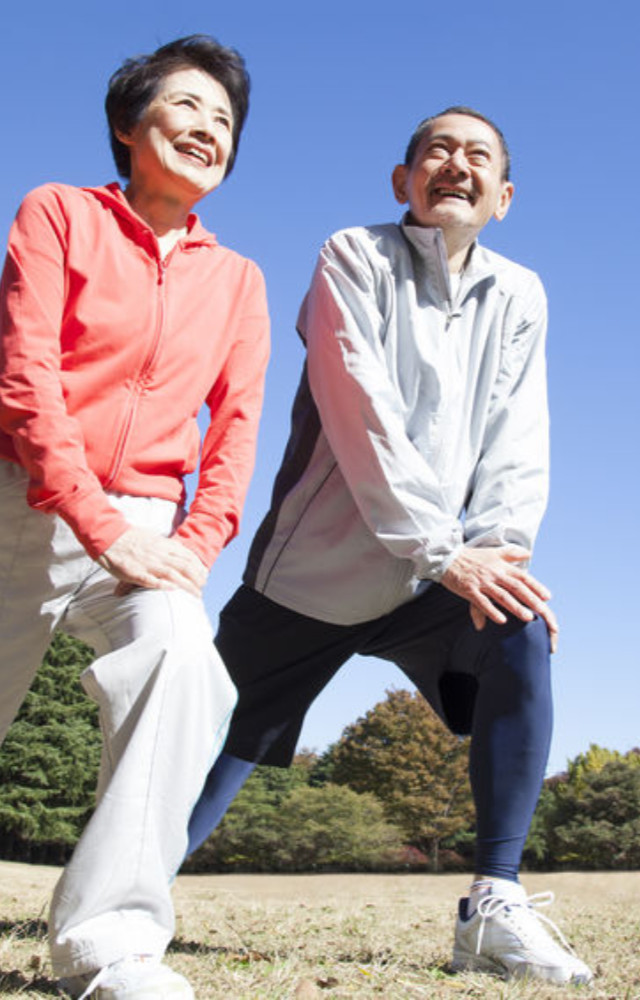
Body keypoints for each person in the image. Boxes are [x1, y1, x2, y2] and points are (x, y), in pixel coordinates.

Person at [0, 35, 269, 1000]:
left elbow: (236, 428)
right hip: (16, 499)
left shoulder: (238, 279)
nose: (209, 129)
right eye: (187, 108)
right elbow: (26, 379)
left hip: (149, 525)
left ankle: (112, 942)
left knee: (183, 665)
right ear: (128, 126)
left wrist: (196, 543)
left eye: (226, 121)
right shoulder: (60, 214)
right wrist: (89, 514)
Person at [187, 107, 594, 986]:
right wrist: (443, 551)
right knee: (207, 746)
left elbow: (518, 437)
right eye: (436, 151)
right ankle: (123, 891)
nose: (456, 165)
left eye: (477, 155)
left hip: (438, 573)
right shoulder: (352, 256)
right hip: (313, 574)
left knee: (519, 627)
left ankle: (494, 903)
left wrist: (498, 556)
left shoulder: (521, 292)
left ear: (505, 196)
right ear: (403, 180)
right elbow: (358, 411)